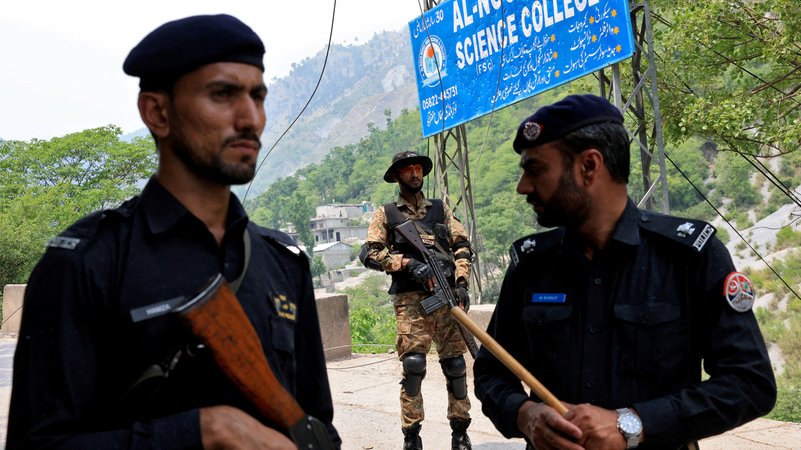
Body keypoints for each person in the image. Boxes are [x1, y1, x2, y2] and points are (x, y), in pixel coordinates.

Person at [7, 14, 340, 450]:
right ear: (157, 112)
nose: (250, 118)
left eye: (258, 97)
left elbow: (317, 425)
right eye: (223, 95)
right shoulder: (86, 262)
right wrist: (202, 432)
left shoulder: (282, 261)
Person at [473, 94, 777, 450]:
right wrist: (525, 414)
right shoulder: (531, 266)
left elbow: (749, 382)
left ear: (589, 166)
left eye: (535, 169)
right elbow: (491, 372)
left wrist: (634, 424)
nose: (522, 186)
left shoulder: (689, 255)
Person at [359, 151, 475, 450]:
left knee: (455, 366)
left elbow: (461, 245)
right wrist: (407, 264)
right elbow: (370, 253)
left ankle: (460, 432)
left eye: (418, 169)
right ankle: (412, 435)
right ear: (397, 176)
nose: (414, 174)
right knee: (414, 366)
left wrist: (461, 283)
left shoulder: (440, 209)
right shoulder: (387, 214)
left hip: (446, 297)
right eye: (407, 170)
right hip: (410, 301)